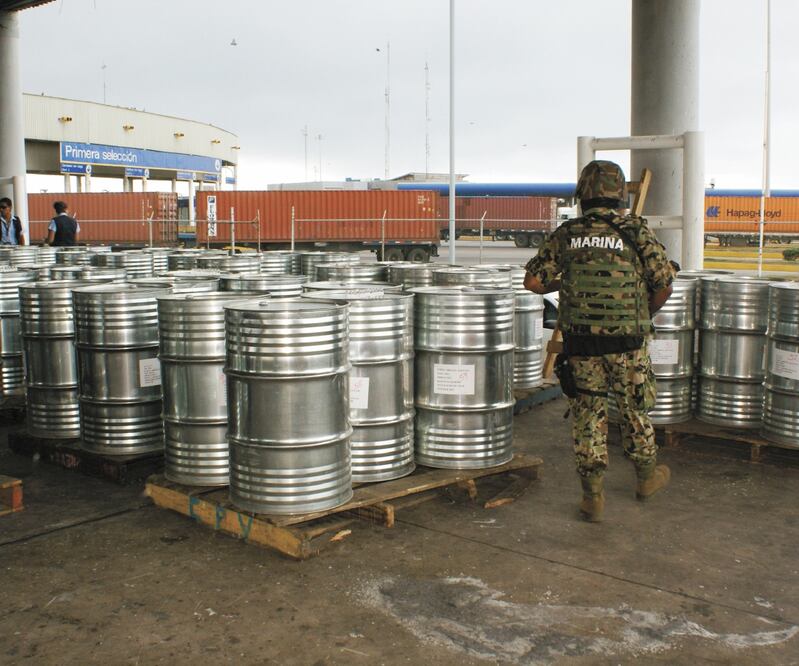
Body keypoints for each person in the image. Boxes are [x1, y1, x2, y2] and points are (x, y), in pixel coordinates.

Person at [524, 160, 676, 523]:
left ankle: (592, 495)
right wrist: (643, 317)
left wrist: (567, 282)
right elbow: (664, 284)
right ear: (619, 193)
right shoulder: (636, 230)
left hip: (581, 345)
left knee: (588, 414)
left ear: (583, 196)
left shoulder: (568, 232)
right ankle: (645, 478)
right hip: (627, 343)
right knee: (634, 410)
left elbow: (533, 283)